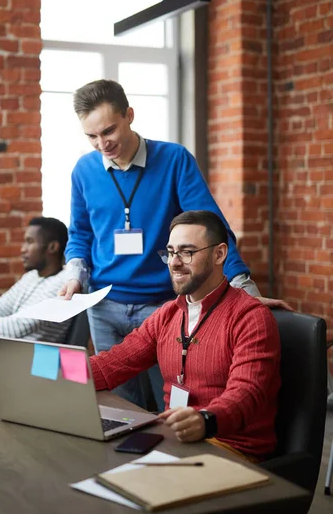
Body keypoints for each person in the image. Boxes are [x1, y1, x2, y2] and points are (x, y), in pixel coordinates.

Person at [60, 79, 289, 410]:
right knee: (118, 407)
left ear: (129, 115)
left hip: (162, 308)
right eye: (91, 136)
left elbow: (213, 228)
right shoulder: (84, 170)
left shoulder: (173, 159)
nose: (102, 144)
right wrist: (75, 276)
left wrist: (244, 289)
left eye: (108, 131)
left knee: (172, 404)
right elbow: (79, 233)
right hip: (104, 306)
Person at [90, 210, 281, 462]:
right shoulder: (167, 314)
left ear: (219, 254)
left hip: (231, 449)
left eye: (187, 252)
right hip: (176, 441)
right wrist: (52, 372)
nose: (174, 262)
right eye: (170, 252)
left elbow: (248, 393)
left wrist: (206, 420)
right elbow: (111, 365)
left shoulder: (251, 317)